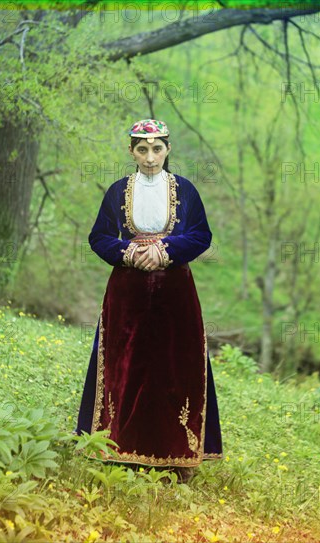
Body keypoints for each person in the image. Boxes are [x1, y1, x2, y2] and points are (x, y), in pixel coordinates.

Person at [73, 119, 223, 482]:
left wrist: (165, 251)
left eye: (157, 149)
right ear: (131, 152)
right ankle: (118, 448)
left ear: (168, 149)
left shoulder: (185, 191)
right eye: (142, 149)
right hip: (127, 293)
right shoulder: (116, 192)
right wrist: (128, 252)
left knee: (175, 364)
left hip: (175, 291)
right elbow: (99, 237)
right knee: (126, 366)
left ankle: (177, 455)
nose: (150, 157)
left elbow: (201, 235)